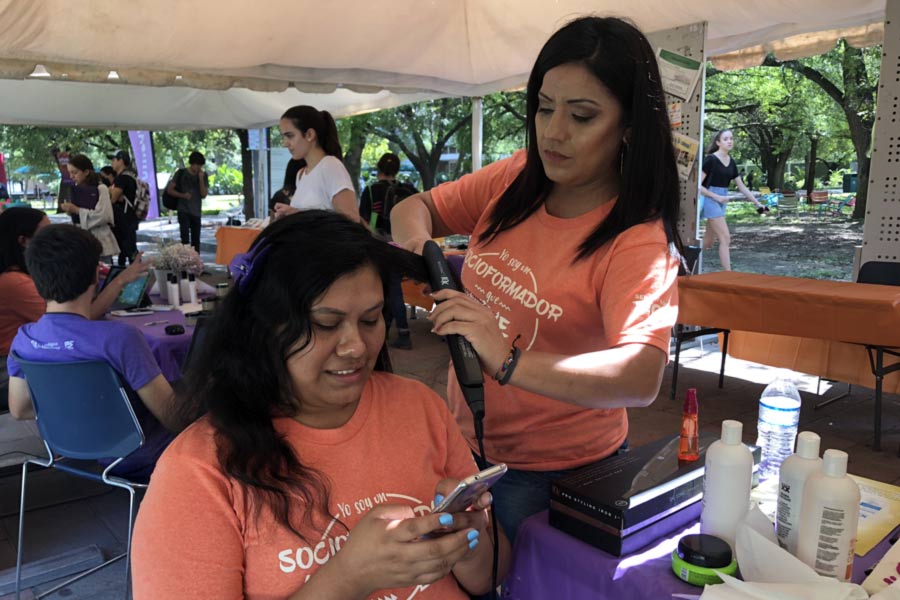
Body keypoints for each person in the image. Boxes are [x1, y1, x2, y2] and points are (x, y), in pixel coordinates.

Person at [391, 16, 683, 545]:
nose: (553, 132)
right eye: (545, 108)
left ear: (630, 127)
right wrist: (420, 248)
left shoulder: (637, 240)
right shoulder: (517, 178)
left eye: (583, 115)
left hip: (556, 472)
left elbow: (640, 375)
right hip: (465, 444)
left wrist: (508, 360)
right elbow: (416, 207)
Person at [132, 210, 508, 599]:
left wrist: (469, 535)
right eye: (325, 324)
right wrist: (347, 578)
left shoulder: (420, 406)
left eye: (371, 319)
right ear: (264, 326)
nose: (356, 348)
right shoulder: (198, 471)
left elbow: (487, 577)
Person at [6, 224, 178, 479]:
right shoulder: (120, 338)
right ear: (95, 276)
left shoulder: (25, 339)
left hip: (68, 445)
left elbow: (19, 409)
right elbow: (171, 416)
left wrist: (80, 413)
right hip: (139, 452)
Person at [359, 152, 419, 350]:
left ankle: (403, 333)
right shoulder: (406, 189)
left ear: (378, 169)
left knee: (392, 290)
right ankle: (387, 330)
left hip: (379, 244)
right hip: (402, 244)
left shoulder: (370, 190)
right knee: (392, 288)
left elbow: (365, 220)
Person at [272, 105, 360, 223]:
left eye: (290, 136)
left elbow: (352, 219)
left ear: (309, 134)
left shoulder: (330, 165)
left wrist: (298, 215)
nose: (285, 143)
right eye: (284, 137)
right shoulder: (301, 174)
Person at [699, 129, 768, 271]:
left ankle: (681, 254)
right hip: (710, 199)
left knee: (707, 242)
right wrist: (717, 197)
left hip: (722, 200)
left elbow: (742, 187)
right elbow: (697, 186)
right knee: (725, 238)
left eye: (731, 138)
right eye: (725, 139)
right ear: (718, 142)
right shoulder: (710, 160)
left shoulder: (732, 162)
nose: (729, 141)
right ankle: (728, 274)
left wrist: (758, 204)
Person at [58, 154, 120, 261]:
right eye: (70, 173)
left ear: (86, 172)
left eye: (75, 172)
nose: (72, 176)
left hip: (100, 240)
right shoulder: (76, 190)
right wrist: (71, 211)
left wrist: (77, 210)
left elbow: (104, 215)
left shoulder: (101, 188)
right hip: (82, 241)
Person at [165, 151, 208, 253]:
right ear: (192, 163)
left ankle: (195, 262)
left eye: (200, 165)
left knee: (196, 240)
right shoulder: (181, 173)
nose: (198, 168)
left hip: (196, 211)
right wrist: (183, 195)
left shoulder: (203, 175)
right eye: (196, 165)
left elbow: (204, 194)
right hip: (183, 209)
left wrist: (201, 179)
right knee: (185, 239)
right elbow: (170, 190)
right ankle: (185, 261)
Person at [107, 149, 141, 265]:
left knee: (128, 248)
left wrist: (109, 190)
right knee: (126, 249)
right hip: (130, 217)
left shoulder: (122, 178)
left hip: (124, 219)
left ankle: (135, 274)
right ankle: (132, 272)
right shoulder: (131, 176)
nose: (112, 162)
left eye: (113, 159)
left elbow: (112, 198)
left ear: (121, 161)